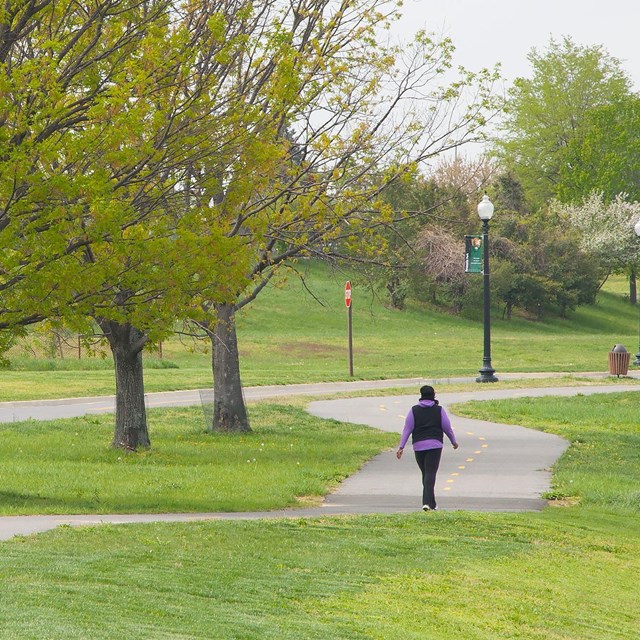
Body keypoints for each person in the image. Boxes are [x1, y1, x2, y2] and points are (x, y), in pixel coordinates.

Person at [396, 385, 458, 511]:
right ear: (433, 395)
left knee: (425, 473)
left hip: (418, 446)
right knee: (430, 473)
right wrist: (453, 442)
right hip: (435, 445)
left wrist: (401, 446)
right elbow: (447, 427)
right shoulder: (439, 410)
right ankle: (426, 503)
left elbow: (407, 429)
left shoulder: (414, 411)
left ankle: (432, 504)